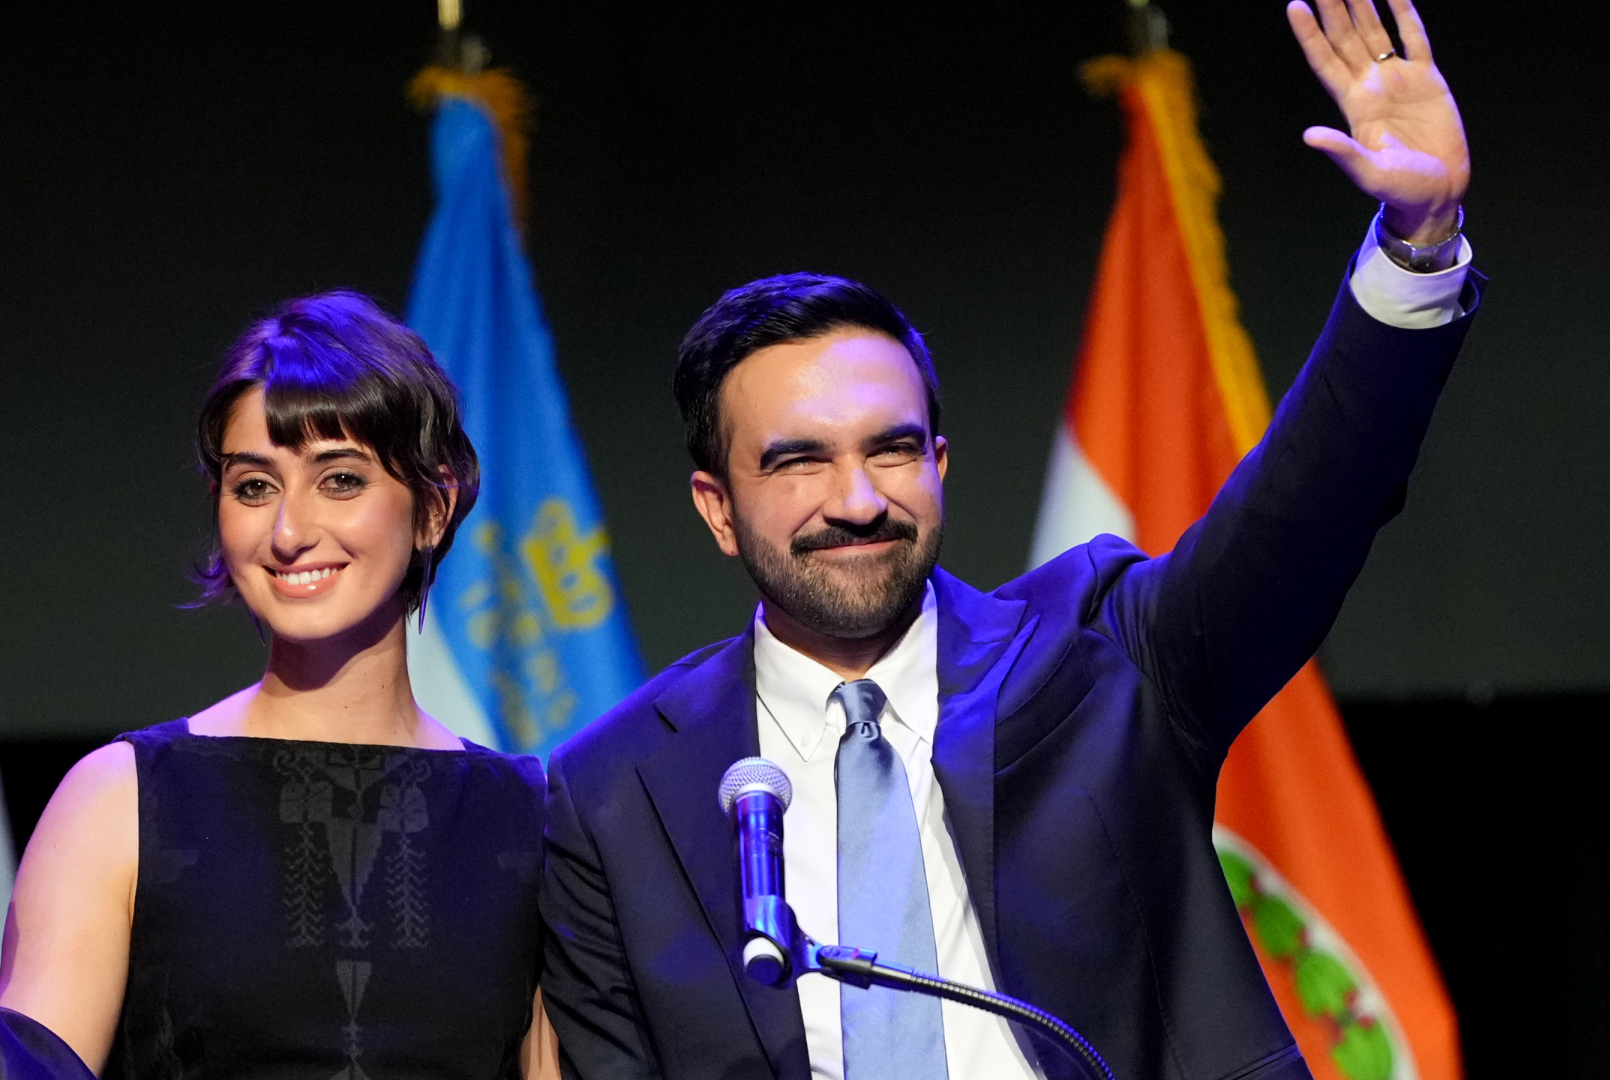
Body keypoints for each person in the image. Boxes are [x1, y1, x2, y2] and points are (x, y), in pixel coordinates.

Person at [537, 1, 1477, 1079]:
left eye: (891, 449)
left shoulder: (1102, 659)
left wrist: (1418, 246)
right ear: (715, 505)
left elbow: (1308, 508)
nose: (856, 498)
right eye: (798, 461)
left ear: (941, 463)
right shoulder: (614, 792)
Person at [0, 292, 560, 1079]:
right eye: (254, 487)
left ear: (434, 507)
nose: (288, 531)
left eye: (339, 480)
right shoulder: (123, 799)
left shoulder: (530, 816)